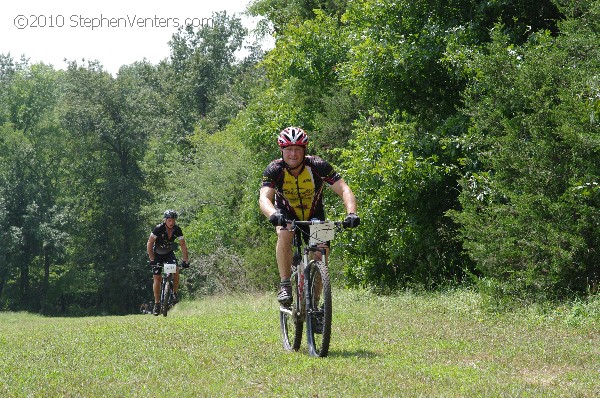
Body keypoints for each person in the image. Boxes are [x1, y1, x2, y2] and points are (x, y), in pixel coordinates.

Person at [259, 126, 360, 305]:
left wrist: (351, 213)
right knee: (284, 233)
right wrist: (273, 214)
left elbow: (344, 189)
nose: (293, 154)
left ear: (304, 150)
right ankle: (285, 284)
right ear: (282, 150)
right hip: (285, 214)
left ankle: (315, 304)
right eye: (288, 149)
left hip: (315, 214)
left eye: (297, 149)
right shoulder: (274, 169)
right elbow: (264, 198)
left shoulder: (317, 165)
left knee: (322, 253)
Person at [146, 209, 190, 316]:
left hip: (168, 254)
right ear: (165, 220)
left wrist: (185, 260)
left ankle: (174, 293)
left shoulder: (177, 230)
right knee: (157, 278)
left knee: (176, 270)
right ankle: (157, 304)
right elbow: (149, 243)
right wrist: (152, 259)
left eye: (173, 220)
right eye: (169, 220)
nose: (171, 222)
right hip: (157, 255)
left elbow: (183, 245)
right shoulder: (158, 229)